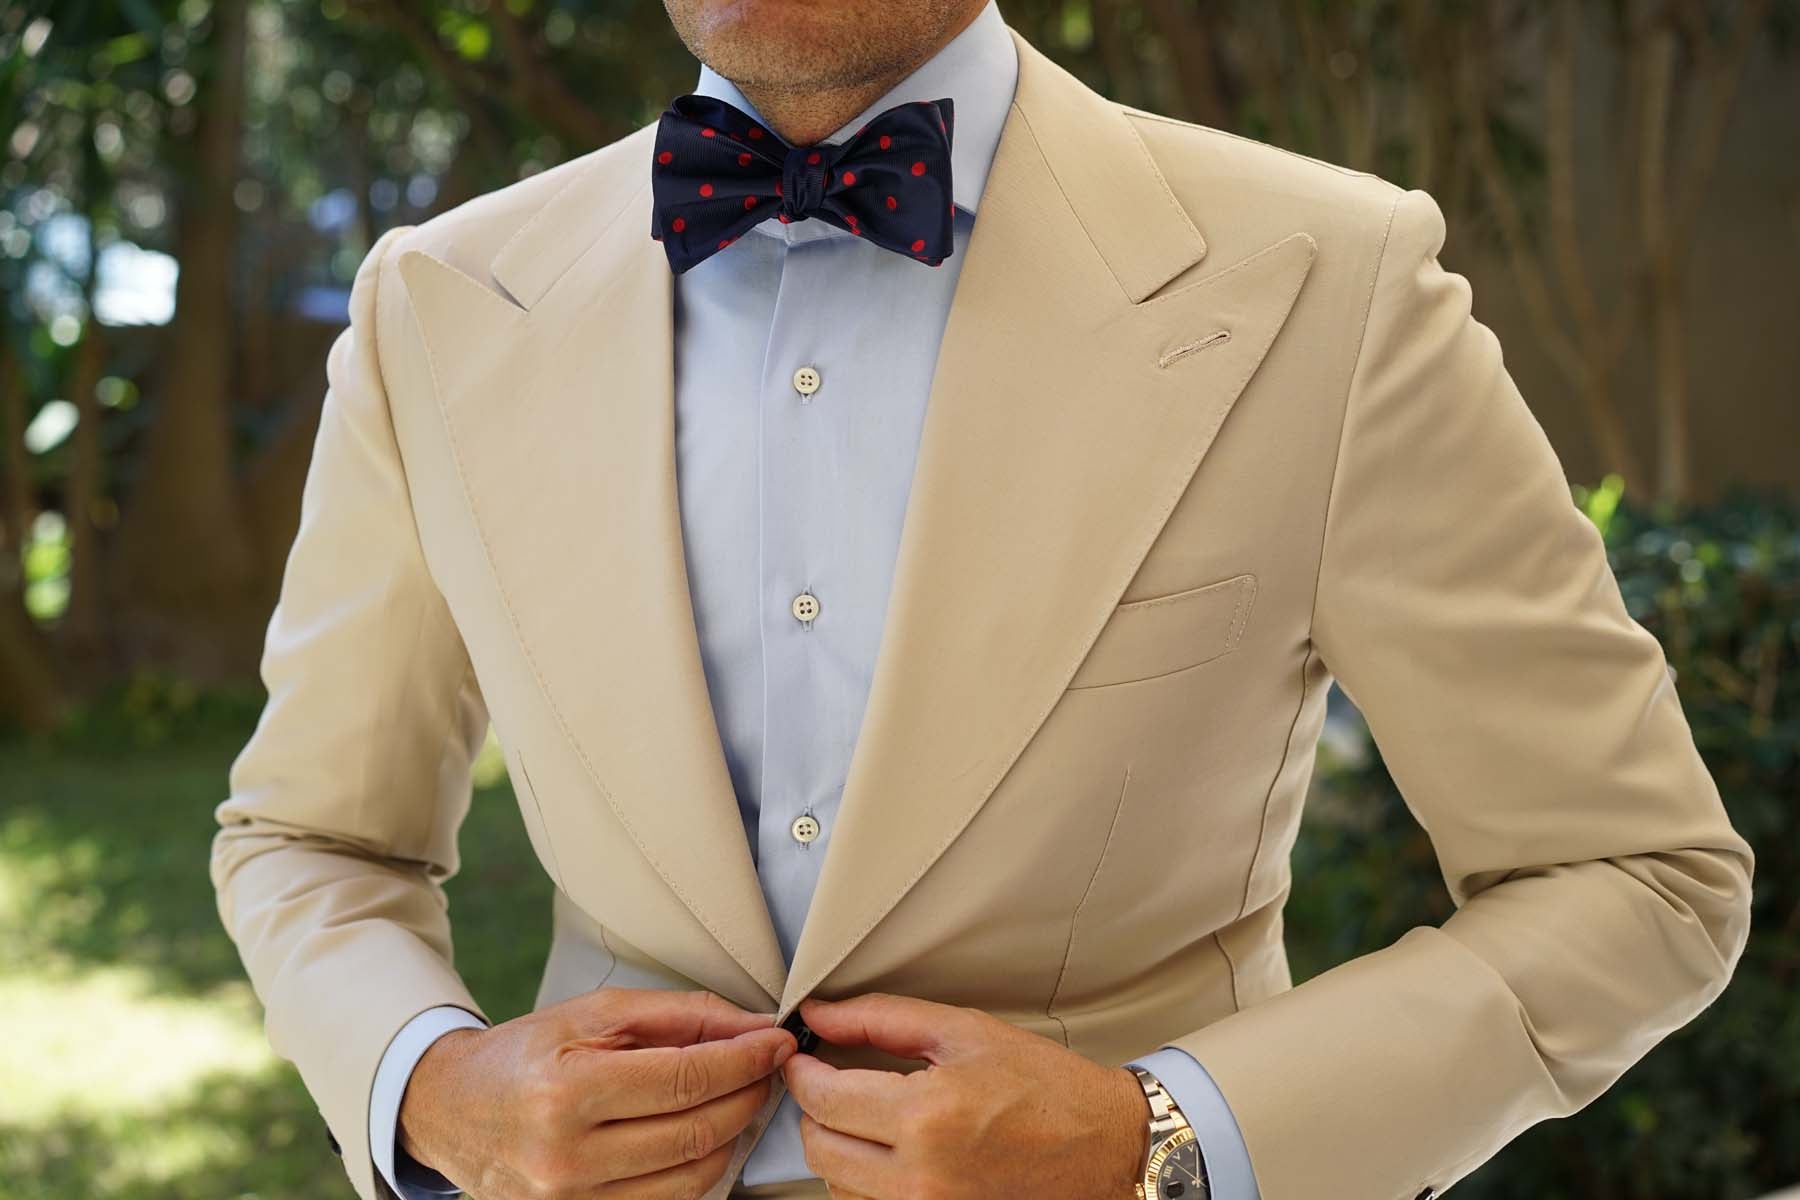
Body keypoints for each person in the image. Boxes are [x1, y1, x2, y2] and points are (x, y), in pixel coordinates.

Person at [210, 1, 1756, 1198]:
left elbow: (1636, 876)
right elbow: (309, 838)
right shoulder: (441, 304)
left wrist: (1165, 1141)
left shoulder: (1329, 286)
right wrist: (430, 1088)